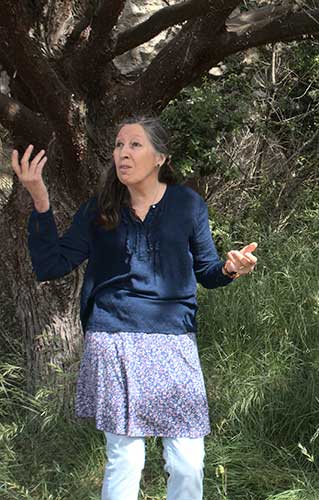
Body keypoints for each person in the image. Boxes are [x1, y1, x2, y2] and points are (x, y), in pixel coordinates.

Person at [11, 116, 257, 500]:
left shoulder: (188, 204)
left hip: (173, 341)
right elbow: (51, 265)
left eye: (135, 145)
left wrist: (230, 268)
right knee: (126, 459)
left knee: (187, 461)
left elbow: (207, 272)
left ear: (160, 157)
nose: (123, 153)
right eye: (119, 145)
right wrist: (39, 198)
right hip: (113, 337)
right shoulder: (100, 209)